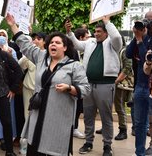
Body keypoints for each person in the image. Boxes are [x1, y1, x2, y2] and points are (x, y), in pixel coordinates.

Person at [6, 14, 90, 156]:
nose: (53, 44)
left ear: (64, 47)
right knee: (34, 148)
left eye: (57, 42)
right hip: (37, 114)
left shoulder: (74, 66)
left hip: (58, 118)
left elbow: (85, 89)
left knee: (53, 150)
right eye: (51, 42)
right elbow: (25, 45)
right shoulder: (41, 57)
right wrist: (13, 26)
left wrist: (69, 88)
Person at [66, 16, 122, 156]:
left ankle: (107, 146)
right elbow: (77, 45)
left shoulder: (113, 43)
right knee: (88, 115)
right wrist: (69, 32)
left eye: (99, 31)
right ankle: (88, 142)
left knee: (106, 116)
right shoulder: (90, 42)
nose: (96, 34)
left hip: (106, 84)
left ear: (106, 32)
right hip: (88, 85)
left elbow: (116, 37)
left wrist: (107, 21)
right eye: (95, 31)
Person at [126, 11, 152, 156]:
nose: (150, 22)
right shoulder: (142, 35)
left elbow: (145, 58)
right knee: (140, 124)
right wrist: (136, 37)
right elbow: (129, 54)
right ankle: (139, 153)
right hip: (140, 86)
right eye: (147, 20)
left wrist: (141, 40)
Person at [113, 37, 133, 141]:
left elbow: (128, 67)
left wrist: (116, 80)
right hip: (113, 82)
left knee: (119, 106)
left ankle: (123, 130)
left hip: (120, 83)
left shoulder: (124, 51)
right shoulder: (114, 50)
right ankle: (106, 127)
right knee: (108, 106)